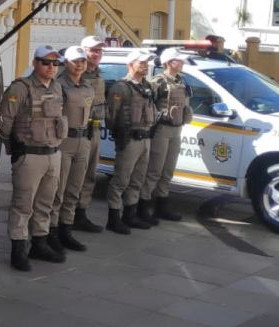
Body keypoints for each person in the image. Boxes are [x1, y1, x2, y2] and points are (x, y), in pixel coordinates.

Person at [0, 45, 67, 270]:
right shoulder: (21, 87)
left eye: (55, 63)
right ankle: (18, 249)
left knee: (45, 202)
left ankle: (40, 242)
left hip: (53, 154)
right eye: (46, 62)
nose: (51, 67)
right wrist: (13, 148)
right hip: (29, 155)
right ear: (35, 63)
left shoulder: (57, 87)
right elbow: (4, 121)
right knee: (23, 204)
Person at [105, 50, 158, 233]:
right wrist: (121, 137)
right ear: (131, 64)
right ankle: (113, 218)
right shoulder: (121, 87)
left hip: (145, 138)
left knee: (137, 179)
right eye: (141, 63)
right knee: (121, 179)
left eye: (146, 63)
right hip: (129, 139)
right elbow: (111, 117)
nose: (145, 66)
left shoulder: (147, 86)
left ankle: (130, 215)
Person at [48, 46, 94, 253]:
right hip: (63, 142)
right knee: (58, 190)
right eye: (75, 61)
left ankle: (67, 228)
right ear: (66, 63)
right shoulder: (58, 85)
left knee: (74, 188)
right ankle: (52, 230)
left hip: (82, 140)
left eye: (82, 61)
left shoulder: (87, 87)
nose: (79, 65)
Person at [143, 48, 193, 222]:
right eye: (179, 61)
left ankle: (161, 205)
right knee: (154, 171)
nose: (182, 63)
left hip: (176, 130)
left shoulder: (182, 81)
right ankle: (144, 206)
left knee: (168, 171)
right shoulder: (158, 82)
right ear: (170, 62)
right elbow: (147, 106)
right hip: (161, 130)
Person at [72, 35, 107, 233]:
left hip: (94, 130)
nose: (97, 54)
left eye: (100, 51)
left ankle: (81, 213)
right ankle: (64, 218)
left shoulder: (99, 74)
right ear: (83, 51)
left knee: (90, 175)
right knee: (73, 177)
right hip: (77, 132)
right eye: (93, 50)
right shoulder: (76, 74)